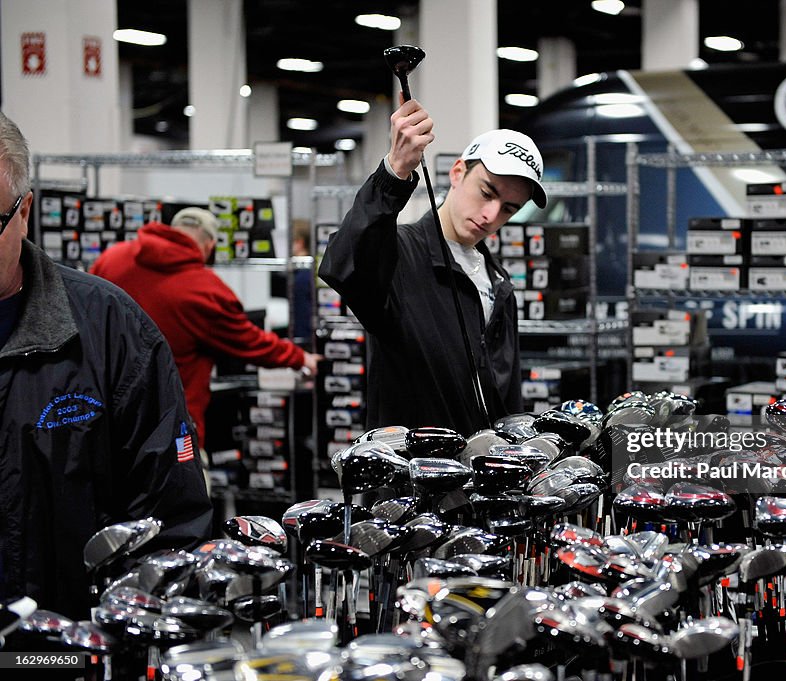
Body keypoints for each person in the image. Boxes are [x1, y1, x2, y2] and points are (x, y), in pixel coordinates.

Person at [0, 111, 212, 621]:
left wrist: (127, 638)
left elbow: (169, 521)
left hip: (67, 651)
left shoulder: (111, 330)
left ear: (24, 211)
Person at [318, 98, 547, 434]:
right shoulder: (399, 255)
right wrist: (393, 173)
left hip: (483, 475)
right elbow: (343, 263)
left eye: (508, 209)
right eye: (486, 192)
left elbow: (504, 393)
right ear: (458, 173)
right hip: (411, 477)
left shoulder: (498, 282)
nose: (491, 215)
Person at [91, 206, 320, 450]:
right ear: (210, 245)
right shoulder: (205, 289)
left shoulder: (111, 259)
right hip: (172, 423)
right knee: (187, 486)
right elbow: (248, 341)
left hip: (105, 414)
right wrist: (300, 358)